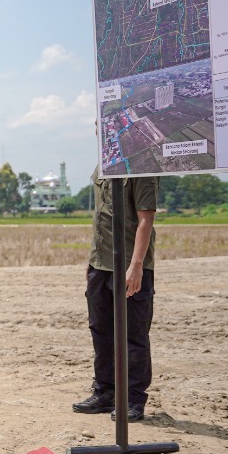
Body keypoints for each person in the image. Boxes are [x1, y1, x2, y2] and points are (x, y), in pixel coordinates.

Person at [73, 169, 159, 422]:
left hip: (130, 265)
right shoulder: (102, 165)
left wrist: (137, 266)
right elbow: (101, 216)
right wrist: (92, 261)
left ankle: (133, 399)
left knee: (133, 334)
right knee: (100, 330)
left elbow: (146, 219)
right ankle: (106, 392)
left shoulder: (142, 167)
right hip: (101, 264)